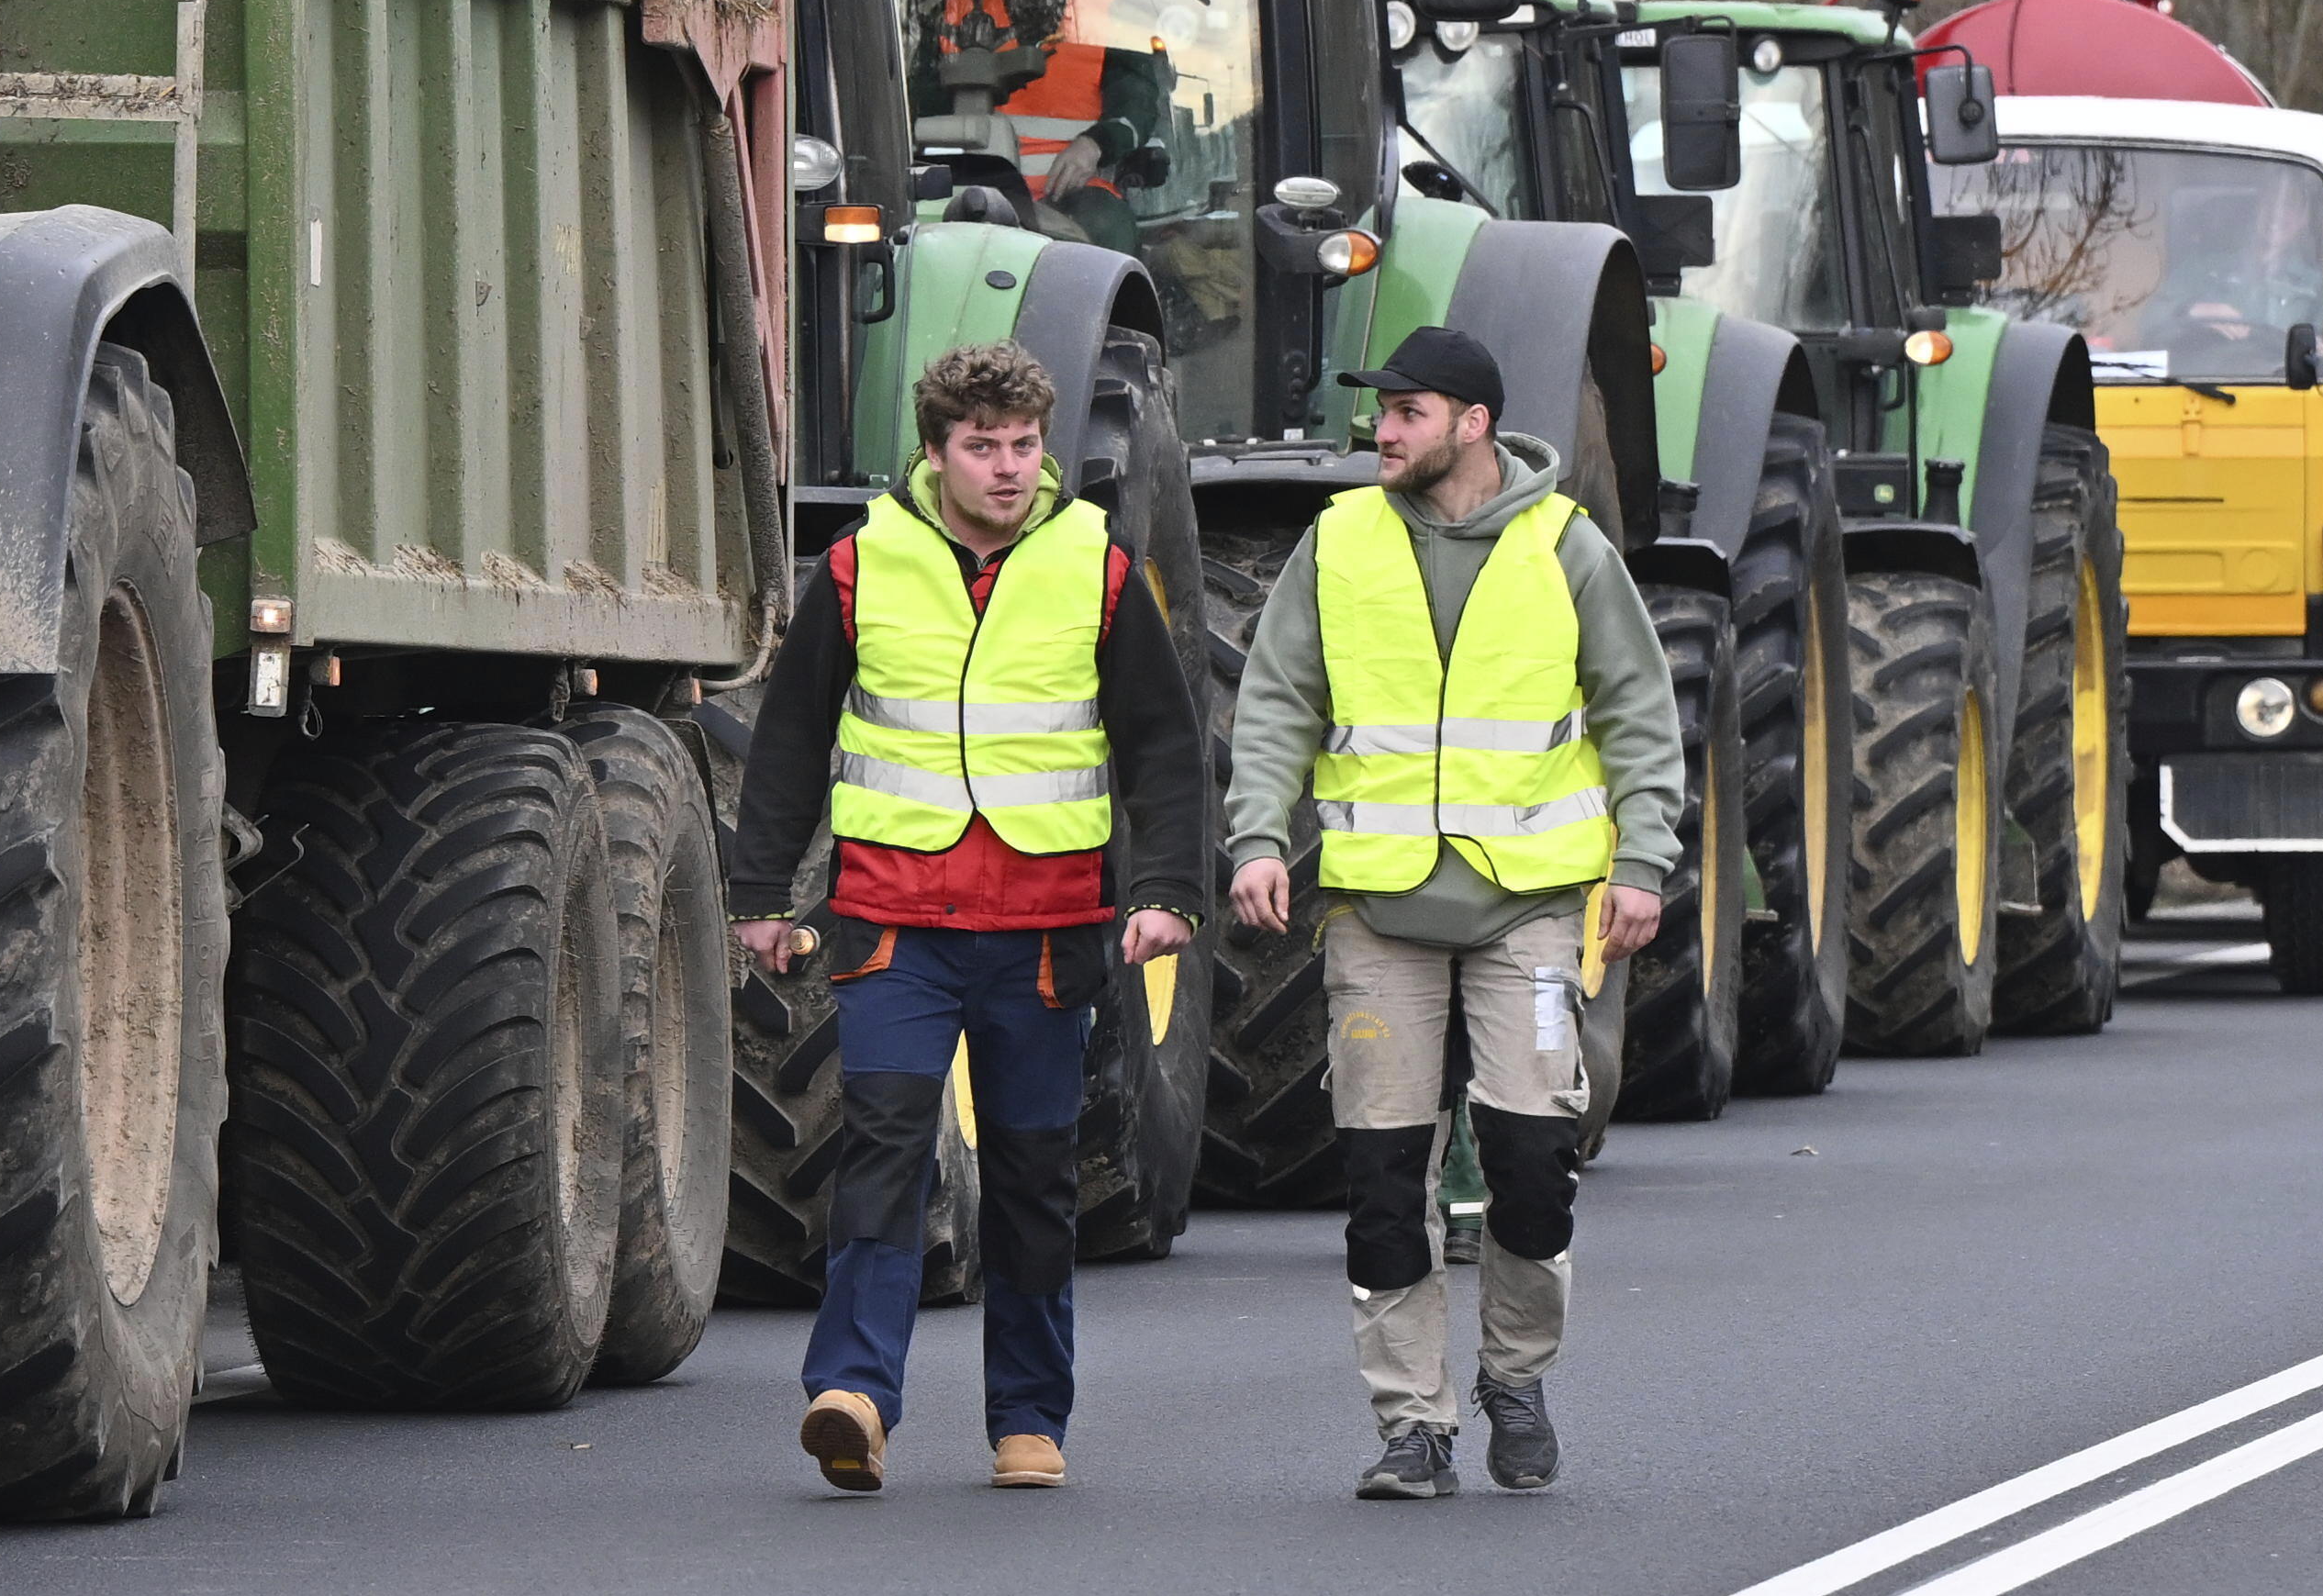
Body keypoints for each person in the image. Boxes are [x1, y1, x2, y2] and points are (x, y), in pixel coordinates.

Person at [721, 340, 1209, 1495]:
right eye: (982, 446)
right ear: (935, 452)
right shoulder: (859, 566)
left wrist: (1168, 892)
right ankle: (853, 1395)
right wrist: (758, 894)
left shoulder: (1094, 564)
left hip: (1044, 932)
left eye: (1023, 445)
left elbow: (1163, 744)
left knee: (1035, 1176)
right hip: (894, 924)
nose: (1006, 466)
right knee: (883, 1148)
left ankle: (1029, 1419)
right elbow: (790, 738)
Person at [1223, 326, 1685, 1501]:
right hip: (1378, 910)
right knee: (1383, 1177)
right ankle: (1412, 1423)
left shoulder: (1565, 546)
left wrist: (1642, 861)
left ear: (1472, 424)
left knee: (1532, 1157)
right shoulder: (1337, 541)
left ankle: (1514, 1378)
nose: (1381, 431)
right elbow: (1276, 702)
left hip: (1528, 907)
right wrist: (1259, 837)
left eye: (1407, 412)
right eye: (1380, 412)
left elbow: (1637, 712)